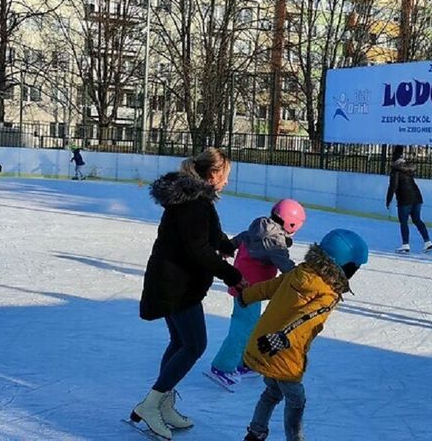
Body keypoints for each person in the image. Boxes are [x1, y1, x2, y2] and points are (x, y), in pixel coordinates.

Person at [131, 148, 246, 440]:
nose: (227, 183)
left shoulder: (195, 201)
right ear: (212, 174)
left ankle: (163, 401)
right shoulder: (194, 204)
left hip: (173, 281)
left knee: (180, 341)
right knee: (194, 344)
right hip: (177, 285)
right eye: (226, 176)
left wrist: (230, 245)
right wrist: (232, 274)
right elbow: (198, 250)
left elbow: (207, 236)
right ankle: (152, 403)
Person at [240, 229, 368, 441]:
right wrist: (282, 337)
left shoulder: (301, 272)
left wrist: (247, 295)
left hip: (262, 342)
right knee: (296, 399)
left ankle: (256, 432)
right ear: (346, 266)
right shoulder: (328, 293)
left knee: (272, 392)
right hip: (282, 350)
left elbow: (272, 286)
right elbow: (306, 316)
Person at [207, 198, 306, 390]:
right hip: (249, 289)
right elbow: (286, 267)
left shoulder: (259, 227)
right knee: (242, 329)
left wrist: (228, 247)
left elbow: (241, 237)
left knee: (251, 326)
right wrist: (303, 278)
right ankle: (222, 367)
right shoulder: (275, 243)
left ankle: (242, 363)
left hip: (246, 285)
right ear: (291, 224)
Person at [386, 145, 432, 254]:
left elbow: (393, 187)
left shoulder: (395, 171)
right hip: (417, 197)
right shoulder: (408, 168)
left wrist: (388, 200)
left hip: (405, 199)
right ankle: (427, 241)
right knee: (417, 220)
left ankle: (405, 244)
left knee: (403, 222)